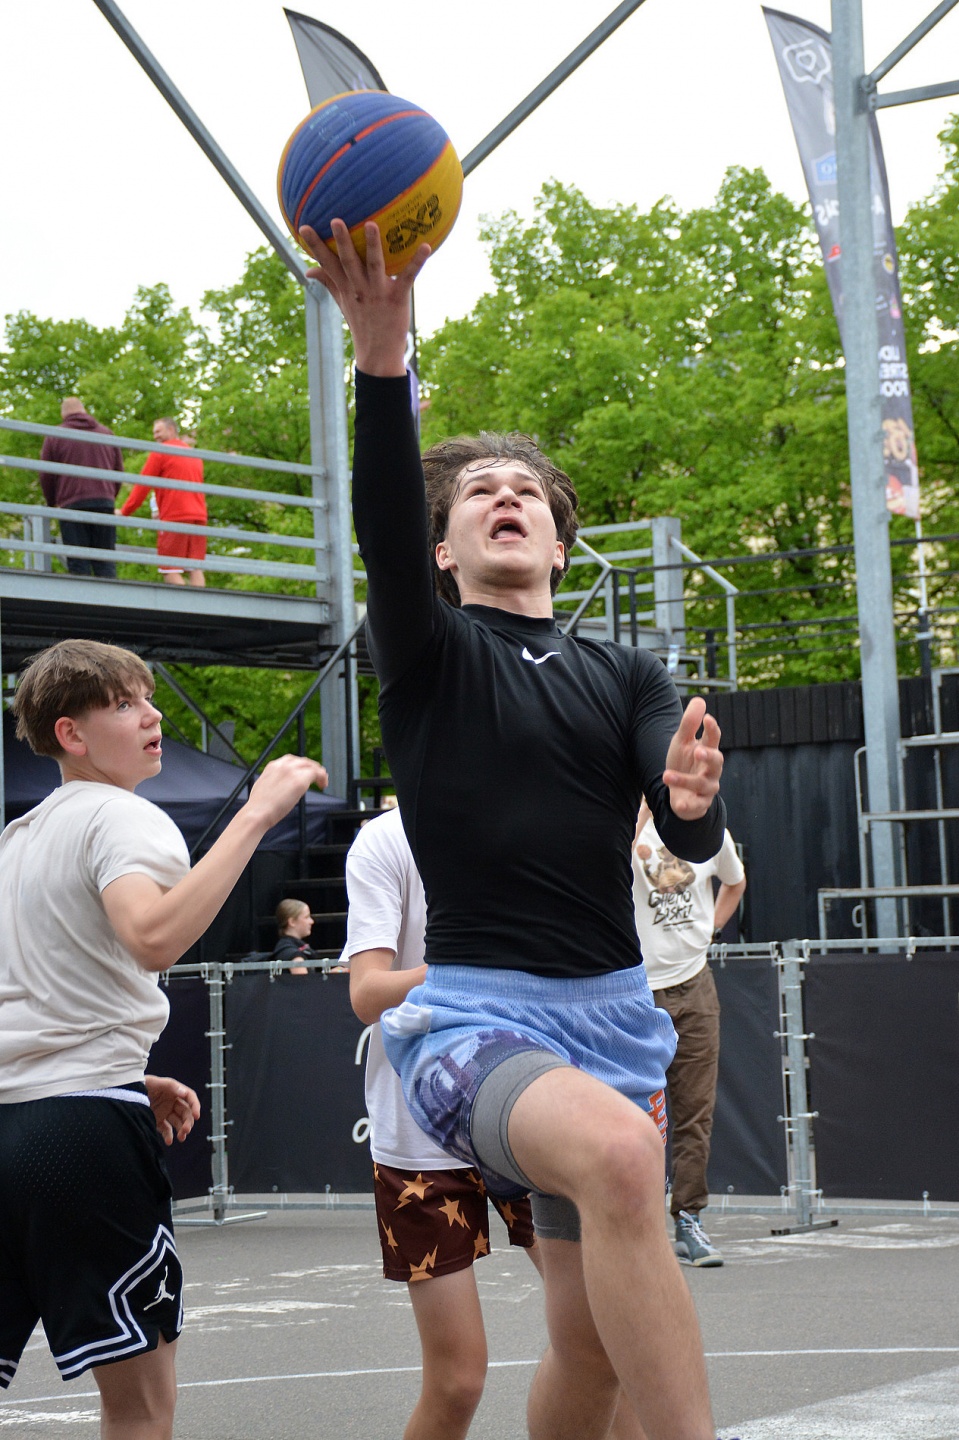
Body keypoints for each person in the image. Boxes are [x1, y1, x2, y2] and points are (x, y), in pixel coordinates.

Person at [300, 217, 728, 1440]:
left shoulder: (625, 674)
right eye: (477, 491)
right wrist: (381, 360)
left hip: (616, 1019)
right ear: (440, 549)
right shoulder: (429, 653)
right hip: (476, 1020)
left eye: (525, 490)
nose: (503, 496)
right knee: (621, 1157)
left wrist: (692, 807)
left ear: (557, 538)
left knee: (589, 1356)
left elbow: (689, 841)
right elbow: (381, 524)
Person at [0, 638, 326, 1438]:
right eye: (125, 704)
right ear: (72, 734)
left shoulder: (17, 839)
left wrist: (122, 1075)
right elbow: (152, 938)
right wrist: (256, 814)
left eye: (148, 698)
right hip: (78, 1135)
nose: (152, 717)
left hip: (21, 1118)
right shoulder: (121, 815)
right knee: (141, 1407)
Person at [344, 805, 545, 1440]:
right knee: (458, 1380)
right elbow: (366, 993)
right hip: (420, 1130)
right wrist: (471, 967)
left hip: (535, 1102)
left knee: (604, 1337)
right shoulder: (386, 840)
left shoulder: (535, 811)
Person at [632, 799, 747, 1268]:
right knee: (631, 1113)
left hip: (695, 983)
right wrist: (642, 811)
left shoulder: (710, 828)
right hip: (637, 989)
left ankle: (688, 1218)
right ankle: (635, 1224)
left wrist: (710, 930)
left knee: (695, 1111)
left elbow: (735, 882)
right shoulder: (628, 827)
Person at [38, 396, 125, 578]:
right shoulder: (106, 434)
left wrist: (52, 502)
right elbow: (119, 470)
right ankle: (109, 596)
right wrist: (109, 495)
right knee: (105, 561)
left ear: (64, 415)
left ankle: (81, 596)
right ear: (84, 411)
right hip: (103, 502)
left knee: (78, 563)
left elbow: (46, 474)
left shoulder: (55, 436)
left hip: (72, 502)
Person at [120, 418, 208, 587]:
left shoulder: (161, 452)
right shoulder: (193, 455)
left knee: (169, 569)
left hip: (175, 516)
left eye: (158, 432)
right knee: (195, 568)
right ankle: (200, 603)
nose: (155, 436)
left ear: (171, 430)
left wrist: (125, 511)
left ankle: (182, 603)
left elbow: (143, 485)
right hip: (199, 516)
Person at [273, 897, 314, 975]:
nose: (311, 921)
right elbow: (304, 981)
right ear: (292, 922)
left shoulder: (289, 947)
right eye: (306, 917)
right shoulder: (292, 953)